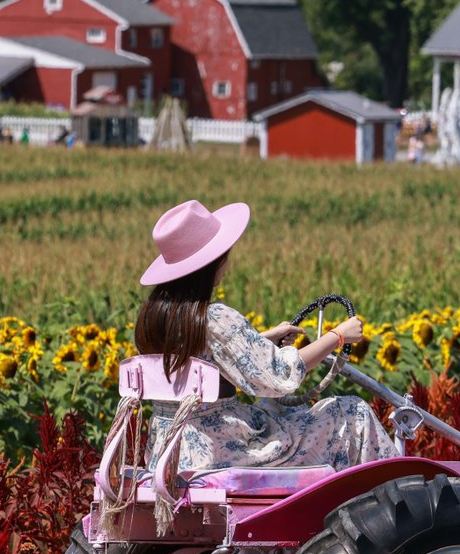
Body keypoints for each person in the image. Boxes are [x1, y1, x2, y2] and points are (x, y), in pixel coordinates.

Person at [135, 199, 393, 473]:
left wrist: (264, 338)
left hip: (170, 449)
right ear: (212, 263)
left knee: (283, 412)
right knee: (353, 413)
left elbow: (208, 354)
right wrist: (338, 336)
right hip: (224, 451)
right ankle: (396, 502)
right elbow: (280, 375)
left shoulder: (155, 317)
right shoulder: (215, 318)